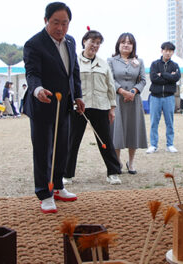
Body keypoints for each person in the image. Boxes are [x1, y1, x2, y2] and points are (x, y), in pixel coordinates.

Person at [23, 2, 84, 214]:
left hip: (64, 105)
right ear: (46, 21)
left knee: (61, 148)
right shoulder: (34, 44)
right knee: (43, 150)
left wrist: (78, 96)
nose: (60, 28)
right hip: (42, 104)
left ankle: (57, 186)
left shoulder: (70, 42)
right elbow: (32, 73)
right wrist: (37, 89)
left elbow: (73, 72)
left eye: (65, 23)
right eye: (55, 22)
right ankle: (44, 193)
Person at [64, 29, 122, 185]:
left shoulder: (103, 64)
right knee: (72, 140)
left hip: (100, 106)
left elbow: (111, 87)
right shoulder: (73, 61)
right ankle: (67, 174)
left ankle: (113, 172)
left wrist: (112, 108)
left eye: (98, 43)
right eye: (92, 42)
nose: (94, 46)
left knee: (105, 140)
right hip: (79, 106)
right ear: (84, 42)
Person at [108, 33, 147, 174]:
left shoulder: (139, 61)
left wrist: (133, 91)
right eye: (123, 42)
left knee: (133, 130)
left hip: (134, 101)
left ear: (133, 46)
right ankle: (117, 161)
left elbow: (143, 80)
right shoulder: (111, 61)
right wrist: (122, 92)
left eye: (129, 43)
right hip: (117, 100)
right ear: (118, 45)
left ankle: (131, 162)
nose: (126, 45)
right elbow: (110, 79)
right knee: (117, 131)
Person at [146, 41, 181, 154]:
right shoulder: (154, 64)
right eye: (165, 50)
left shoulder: (175, 65)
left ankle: (170, 144)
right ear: (162, 51)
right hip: (155, 97)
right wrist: (169, 76)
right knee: (154, 122)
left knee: (169, 121)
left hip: (169, 97)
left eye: (170, 51)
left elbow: (176, 78)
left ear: (172, 52)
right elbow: (154, 78)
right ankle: (153, 145)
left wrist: (163, 75)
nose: (167, 53)